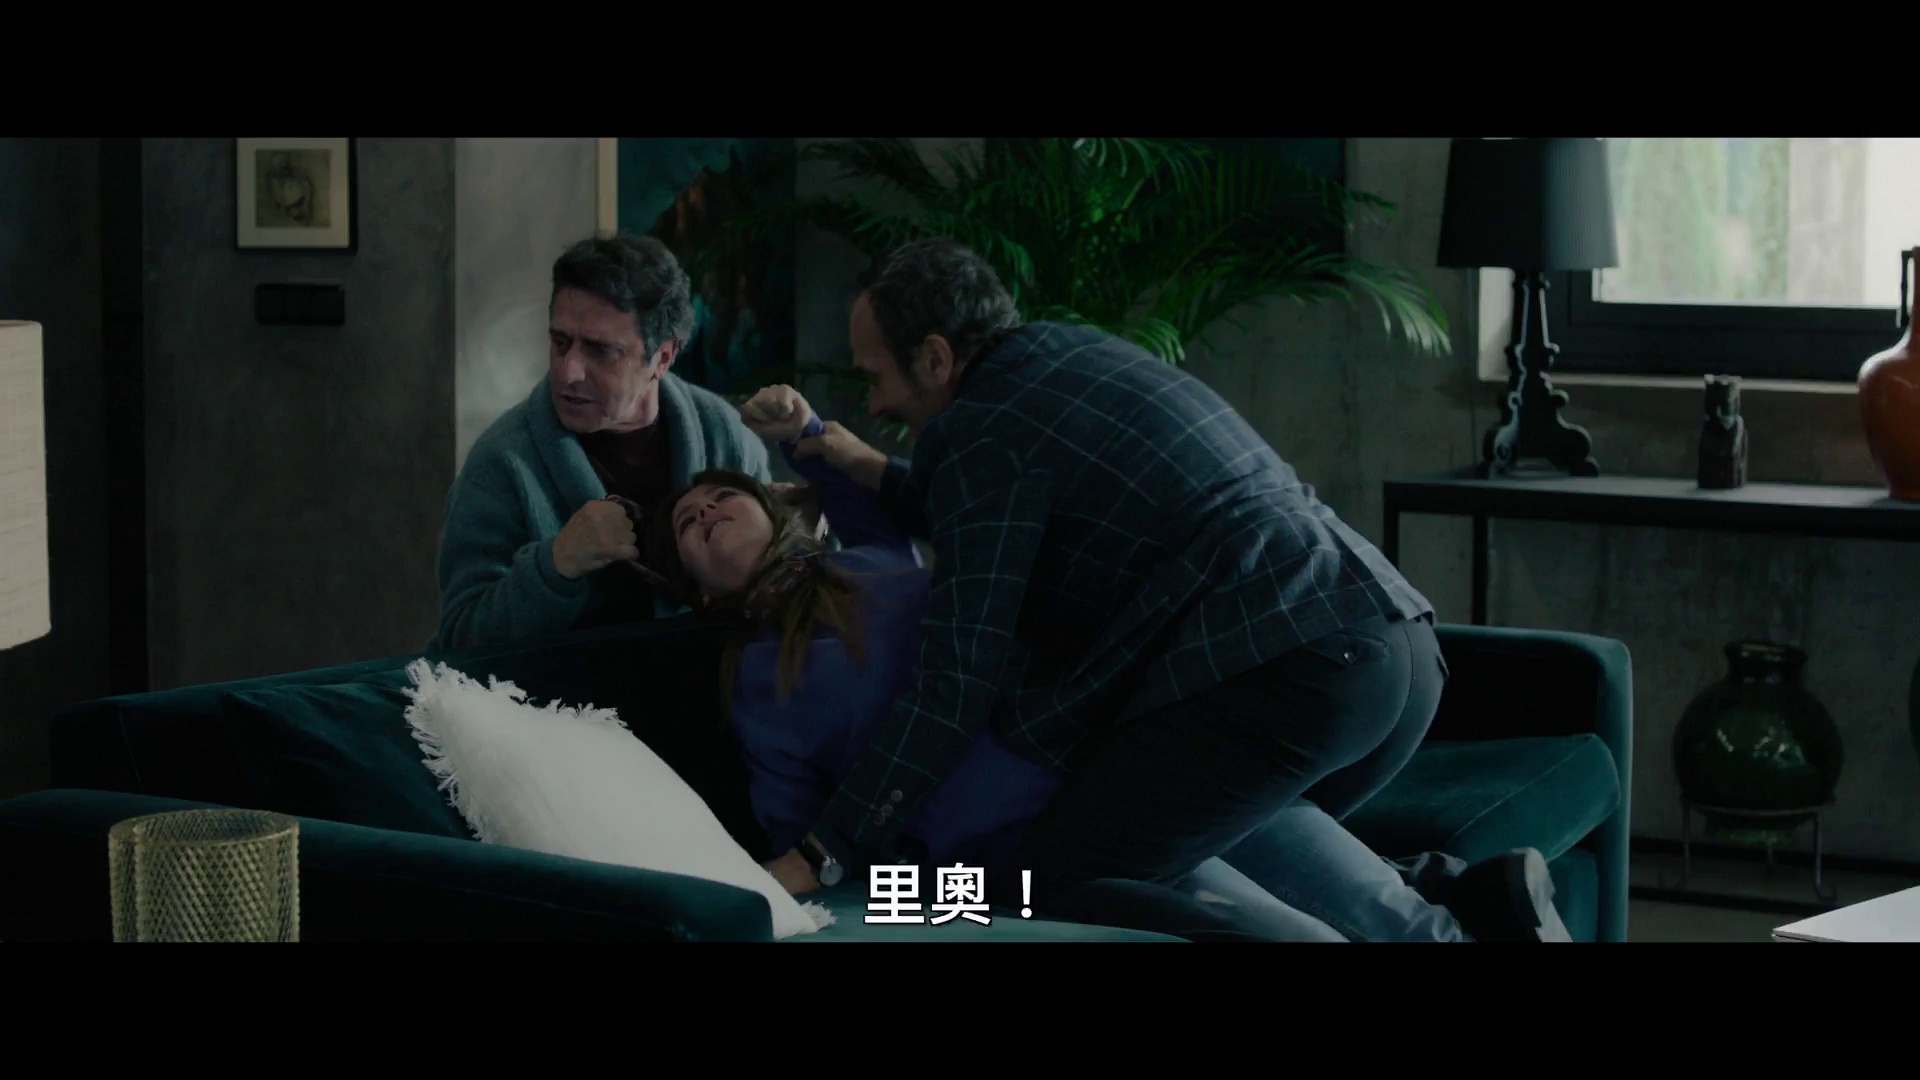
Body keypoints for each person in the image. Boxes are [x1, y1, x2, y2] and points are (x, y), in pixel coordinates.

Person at [756, 239, 1570, 943]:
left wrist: (826, 852)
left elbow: (956, 677)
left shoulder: (976, 439)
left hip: (1288, 670)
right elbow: (990, 516)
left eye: (876, 378)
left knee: (1067, 876)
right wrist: (855, 462)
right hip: (1391, 641)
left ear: (936, 358)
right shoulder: (1064, 354)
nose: (874, 404)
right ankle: (1460, 905)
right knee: (1220, 822)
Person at [646, 391, 1348, 941]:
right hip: (1030, 844)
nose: (706, 512)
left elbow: (866, 486)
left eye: (722, 496)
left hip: (1124, 753)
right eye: (687, 524)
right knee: (1286, 933)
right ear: (699, 591)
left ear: (772, 506)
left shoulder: (868, 557)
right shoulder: (756, 685)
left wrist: (803, 433)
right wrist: (921, 893)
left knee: (1374, 901)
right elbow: (803, 848)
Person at [430, 233, 771, 652]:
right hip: (553, 693)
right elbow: (460, 639)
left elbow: (793, 578)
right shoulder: (502, 465)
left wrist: (815, 456)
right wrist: (555, 567)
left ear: (663, 358)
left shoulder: (724, 435)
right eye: (560, 343)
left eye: (600, 350)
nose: (568, 372)